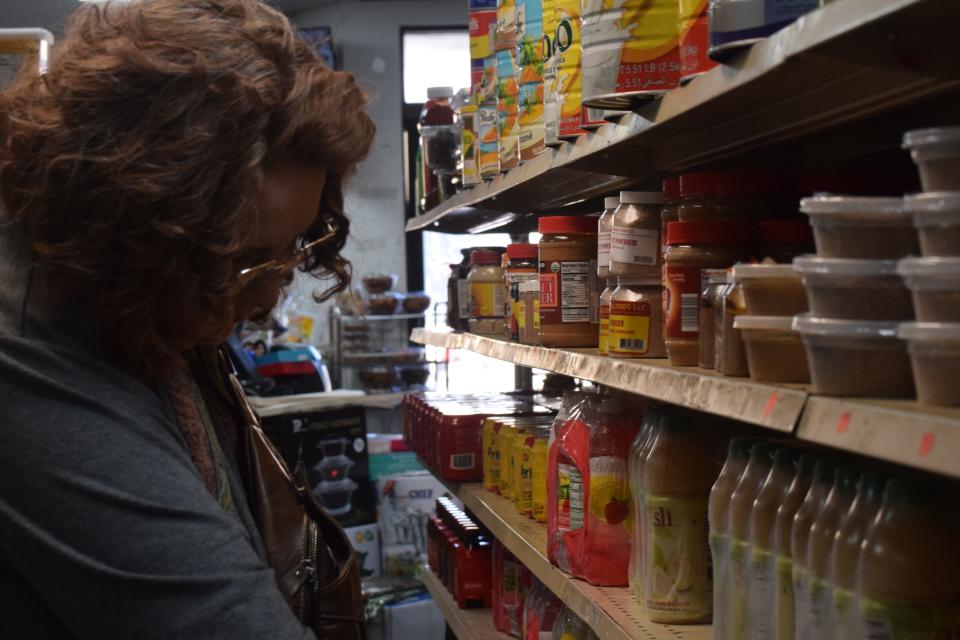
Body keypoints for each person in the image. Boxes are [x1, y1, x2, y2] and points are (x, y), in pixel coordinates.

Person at [0, 0, 374, 637]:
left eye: (292, 251)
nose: (263, 301)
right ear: (133, 225)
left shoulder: (132, 303)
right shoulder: (29, 361)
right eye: (242, 260)